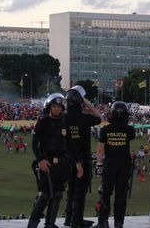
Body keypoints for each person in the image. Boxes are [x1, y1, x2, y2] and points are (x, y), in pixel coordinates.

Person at [27, 93, 77, 228]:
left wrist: (77, 163)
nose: (56, 109)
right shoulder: (43, 122)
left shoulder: (65, 122)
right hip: (47, 162)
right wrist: (40, 160)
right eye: (54, 106)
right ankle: (32, 224)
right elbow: (34, 143)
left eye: (59, 106)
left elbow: (71, 143)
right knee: (45, 195)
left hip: (62, 164)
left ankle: (50, 224)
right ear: (49, 107)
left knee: (58, 194)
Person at [64, 85, 102, 228]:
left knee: (71, 189)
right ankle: (77, 221)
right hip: (83, 158)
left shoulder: (63, 118)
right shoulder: (84, 118)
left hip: (68, 159)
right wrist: (87, 103)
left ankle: (69, 219)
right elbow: (100, 117)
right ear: (80, 102)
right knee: (80, 191)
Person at [93, 102, 135, 228]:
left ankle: (103, 222)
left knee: (105, 194)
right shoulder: (130, 130)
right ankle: (118, 223)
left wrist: (99, 165)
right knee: (121, 195)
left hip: (110, 164)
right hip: (124, 164)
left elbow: (100, 150)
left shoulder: (105, 130)